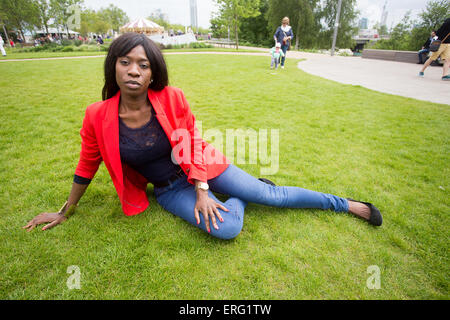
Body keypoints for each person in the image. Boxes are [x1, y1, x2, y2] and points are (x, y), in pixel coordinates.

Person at [22, 33, 382, 239]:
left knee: (270, 196)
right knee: (227, 230)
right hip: (168, 189)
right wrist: (64, 211)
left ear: (152, 73)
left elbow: (190, 142)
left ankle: (344, 204)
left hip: (205, 168)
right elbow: (87, 165)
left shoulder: (171, 97)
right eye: (125, 62)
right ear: (113, 65)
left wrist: (204, 188)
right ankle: (236, 196)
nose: (134, 70)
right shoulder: (97, 115)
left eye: (143, 65)